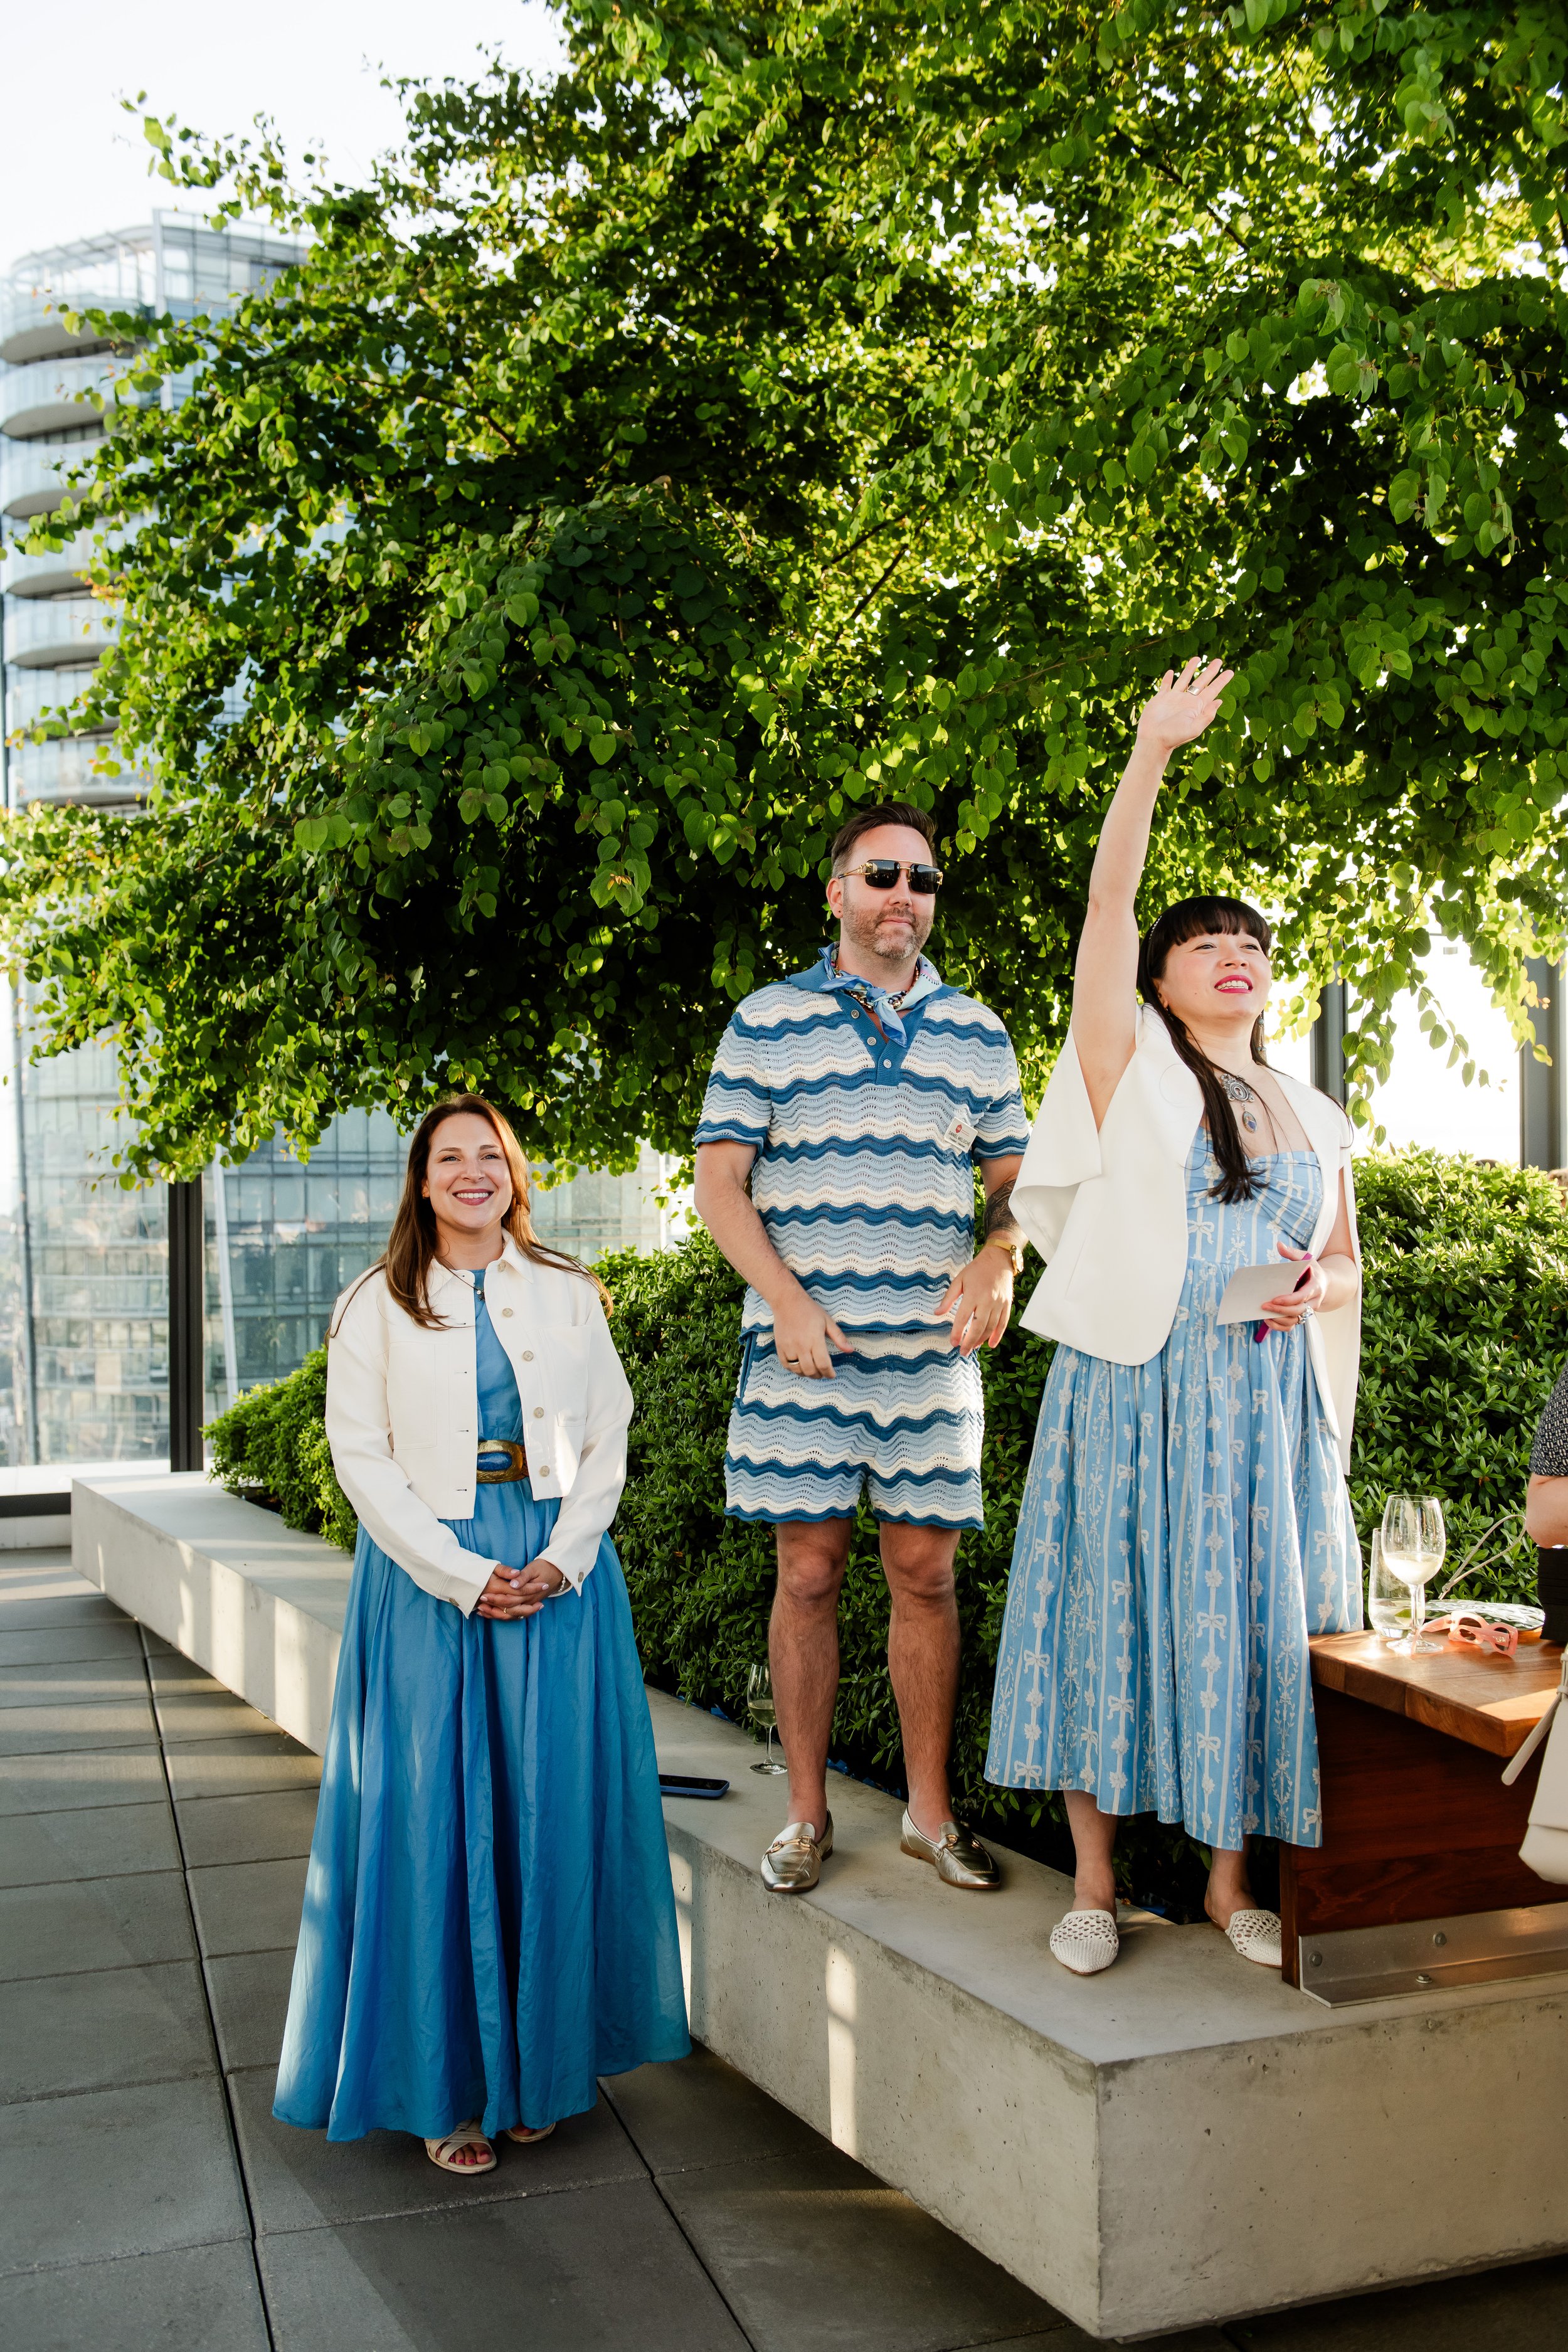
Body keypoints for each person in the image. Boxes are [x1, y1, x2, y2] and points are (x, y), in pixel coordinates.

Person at [985, 660, 1364, 1976]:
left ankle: (1222, 1883)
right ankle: (1090, 1884)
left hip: (1263, 1403)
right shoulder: (1128, 1063)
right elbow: (1105, 899)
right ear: (1154, 981)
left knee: (1251, 1634)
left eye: (1251, 941)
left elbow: (1343, 1263)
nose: (1235, 953)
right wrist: (1149, 750)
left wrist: (1320, 1287)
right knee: (1106, 1614)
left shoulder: (1313, 1109)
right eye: (1206, 941)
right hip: (1133, 1384)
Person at [273, 1094, 689, 2173]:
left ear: (516, 1174)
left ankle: (539, 2071)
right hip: (426, 1581)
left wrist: (567, 1553)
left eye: (489, 1155)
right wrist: (462, 1572)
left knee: (547, 1815)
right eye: (449, 1157)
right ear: (421, 1181)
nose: (472, 1172)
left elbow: (610, 1429)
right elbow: (359, 1459)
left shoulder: (566, 1291)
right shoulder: (376, 1302)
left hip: (558, 1572)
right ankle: (444, 2089)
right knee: (431, 1822)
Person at [693, 800, 1032, 1896]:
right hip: (806, 1353)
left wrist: (1001, 1255)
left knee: (926, 1577)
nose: (904, 895)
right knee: (808, 1571)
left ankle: (928, 1816)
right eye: (881, 873)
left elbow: (1016, 1188)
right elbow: (718, 1185)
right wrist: (786, 1298)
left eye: (923, 880)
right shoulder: (766, 1019)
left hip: (932, 1358)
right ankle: (804, 1815)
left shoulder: (978, 1031)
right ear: (835, 889)